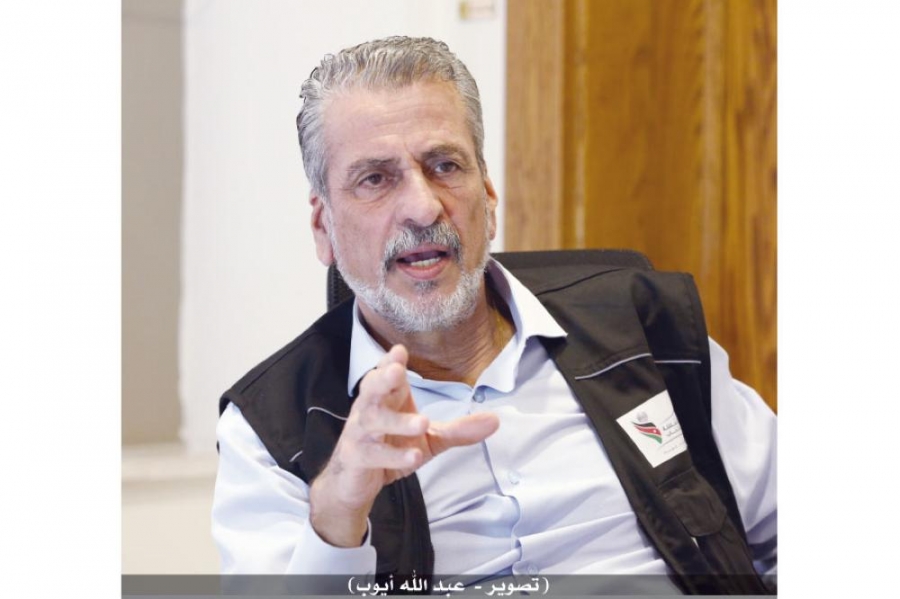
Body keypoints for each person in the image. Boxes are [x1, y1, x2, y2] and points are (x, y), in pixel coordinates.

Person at [212, 36, 776, 594]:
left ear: (487, 195)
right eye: (375, 179)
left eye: (444, 166)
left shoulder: (646, 329)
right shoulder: (271, 429)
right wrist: (337, 512)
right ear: (323, 226)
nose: (423, 207)